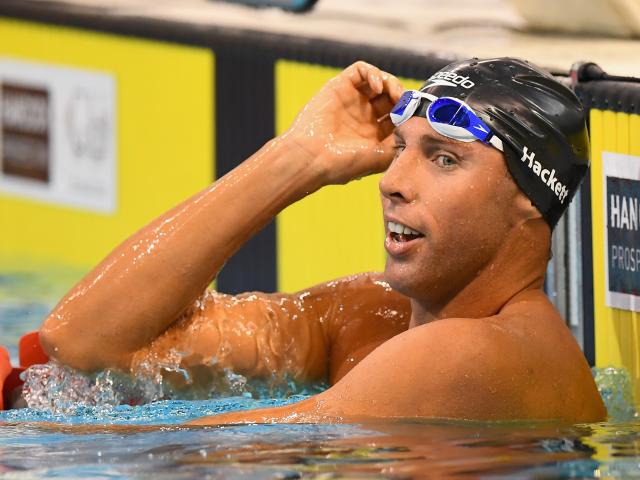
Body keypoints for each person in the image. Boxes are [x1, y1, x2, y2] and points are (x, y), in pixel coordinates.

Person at [38, 57, 607, 424]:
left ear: (531, 196)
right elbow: (85, 342)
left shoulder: (478, 356)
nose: (392, 182)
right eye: (401, 148)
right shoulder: (372, 315)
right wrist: (298, 157)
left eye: (444, 159)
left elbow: (174, 451)